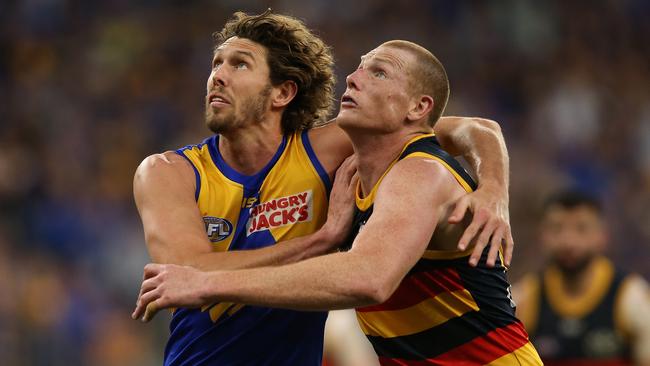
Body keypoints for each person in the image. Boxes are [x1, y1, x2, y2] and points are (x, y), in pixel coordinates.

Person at [133, 39, 541, 365]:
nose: (354, 77)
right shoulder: (354, 173)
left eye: (378, 72)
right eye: (216, 62)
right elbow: (180, 271)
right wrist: (324, 236)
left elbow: (368, 277)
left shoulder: (418, 172)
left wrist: (493, 189)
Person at [512, 190, 650, 365]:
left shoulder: (631, 297)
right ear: (542, 236)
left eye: (581, 228)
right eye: (557, 228)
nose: (569, 241)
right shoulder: (524, 299)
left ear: (602, 235)